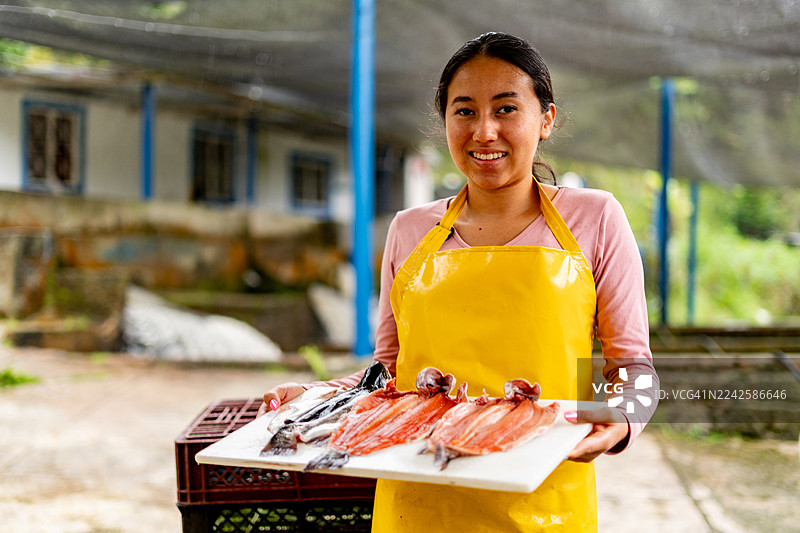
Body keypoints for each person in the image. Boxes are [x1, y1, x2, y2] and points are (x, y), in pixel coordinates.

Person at [260, 32, 658, 532]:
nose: (484, 131)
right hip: (417, 500)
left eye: (506, 109)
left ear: (547, 119)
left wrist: (623, 420)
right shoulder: (409, 228)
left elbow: (635, 369)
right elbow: (387, 375)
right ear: (445, 122)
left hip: (544, 500)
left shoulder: (595, 217)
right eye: (464, 111)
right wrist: (320, 398)